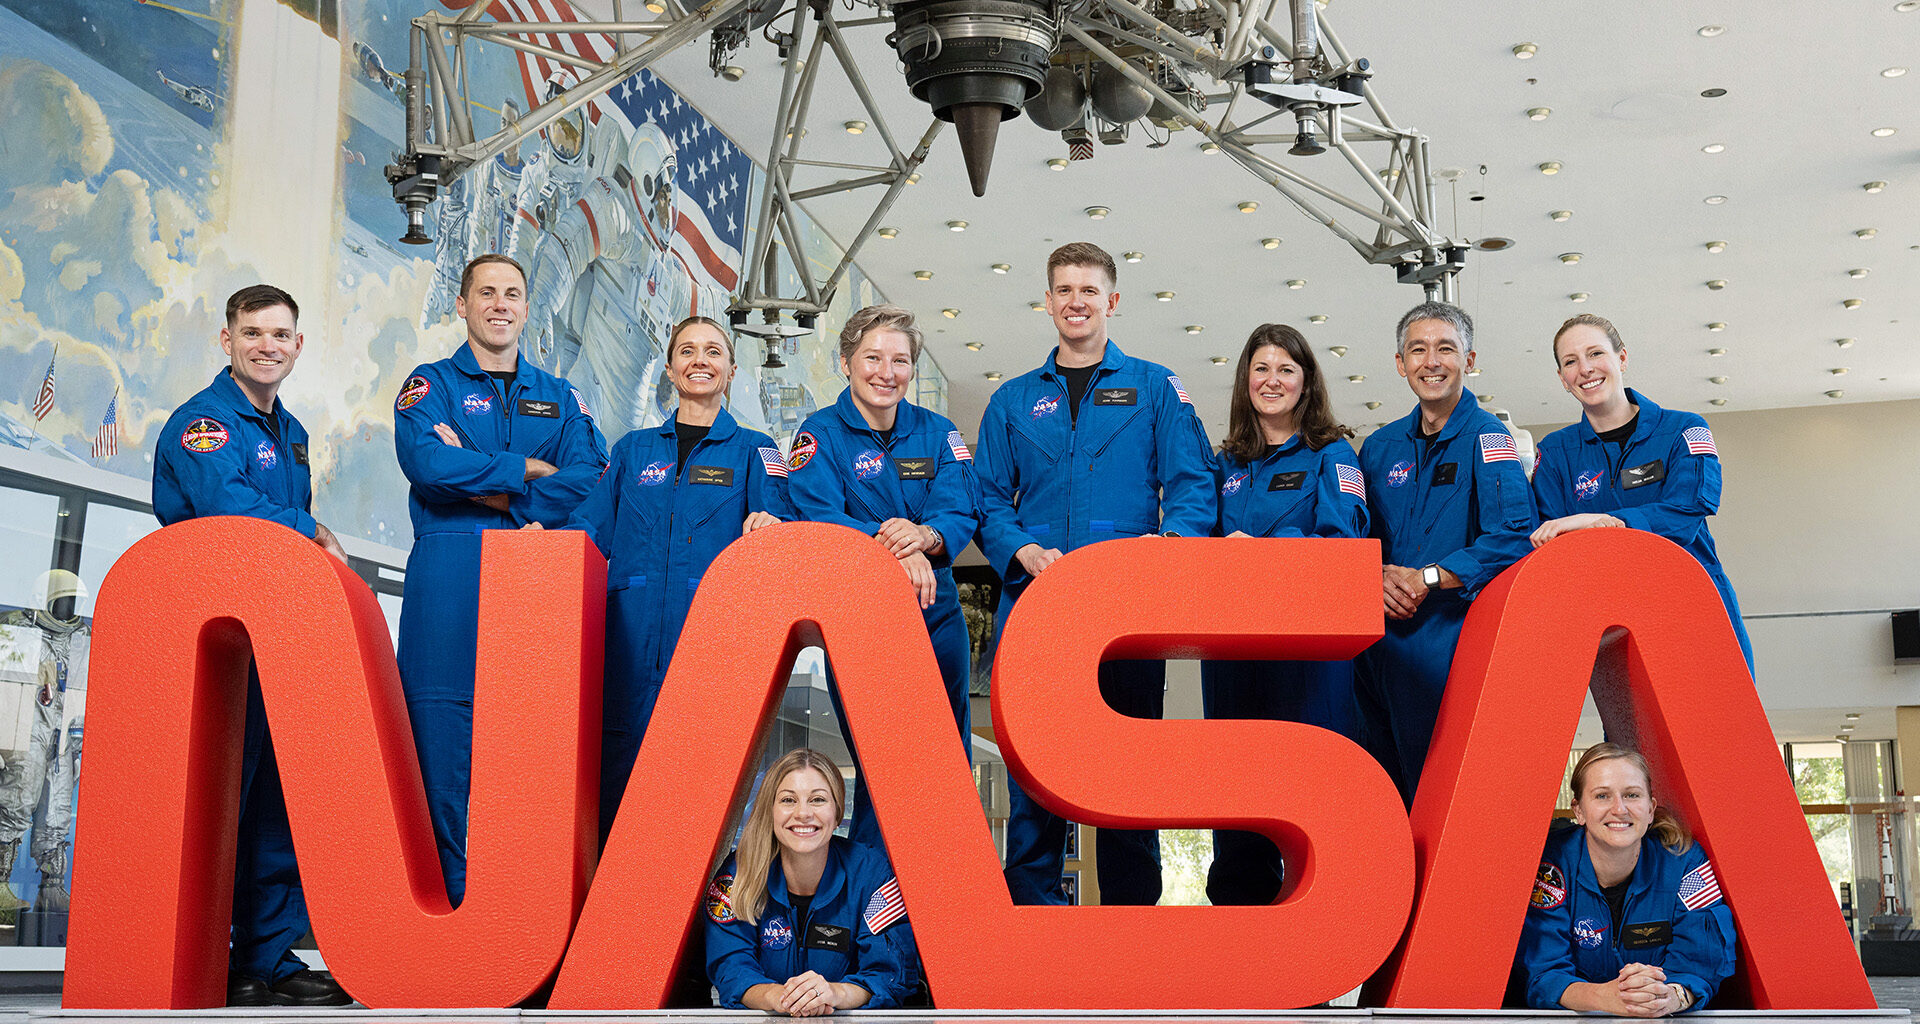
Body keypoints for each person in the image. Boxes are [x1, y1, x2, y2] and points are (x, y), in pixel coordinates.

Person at [974, 242, 1216, 906]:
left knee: (1129, 785)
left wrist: (1164, 552)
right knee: (1033, 792)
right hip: (1038, 617)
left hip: (1127, 624)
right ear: (1047, 302)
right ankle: (1033, 958)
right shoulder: (1012, 402)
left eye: (1088, 291)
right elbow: (988, 500)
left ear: (1112, 301)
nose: (1075, 302)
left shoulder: (1155, 387)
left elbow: (1194, 487)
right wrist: (1021, 552)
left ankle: (1132, 961)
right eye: (1063, 290)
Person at [152, 284, 351, 1005]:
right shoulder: (205, 423)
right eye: (253, 333)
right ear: (227, 341)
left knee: (275, 801)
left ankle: (262, 959)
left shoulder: (287, 429)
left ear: (298, 346)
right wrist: (312, 531)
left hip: (271, 633)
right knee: (214, 799)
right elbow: (226, 510)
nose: (267, 345)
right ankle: (193, 952)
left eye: (280, 334)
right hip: (211, 643)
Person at [392, 254, 608, 903]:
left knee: (526, 742)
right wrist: (530, 472)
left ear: (525, 305)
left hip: (536, 575)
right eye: (486, 292)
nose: (500, 304)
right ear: (463, 305)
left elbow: (593, 478)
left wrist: (487, 479)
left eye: (512, 293)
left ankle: (515, 913)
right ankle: (451, 905)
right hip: (450, 574)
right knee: (441, 735)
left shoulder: (562, 396)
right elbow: (427, 464)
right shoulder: (429, 386)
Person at [565, 315, 792, 843]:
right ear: (669, 367)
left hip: (709, 641)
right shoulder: (632, 451)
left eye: (713, 351)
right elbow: (588, 529)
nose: (700, 361)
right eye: (687, 351)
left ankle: (689, 917)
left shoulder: (758, 451)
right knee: (616, 774)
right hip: (626, 641)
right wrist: (543, 543)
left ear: (731, 370)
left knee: (699, 781)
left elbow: (778, 528)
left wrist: (771, 525)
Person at [786, 305, 979, 850]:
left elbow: (961, 509)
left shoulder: (940, 434)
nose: (885, 372)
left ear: (912, 369)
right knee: (881, 765)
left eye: (899, 360)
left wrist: (926, 538)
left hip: (937, 617)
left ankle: (948, 894)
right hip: (861, 622)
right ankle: (879, 909)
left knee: (947, 762)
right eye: (872, 357)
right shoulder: (818, 434)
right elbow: (817, 513)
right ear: (846, 362)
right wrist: (893, 546)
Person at [1203, 324, 1368, 906]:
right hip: (1232, 658)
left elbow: (1345, 535)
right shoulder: (1224, 463)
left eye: (1286, 370)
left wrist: (1269, 553)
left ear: (1307, 382)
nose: (1272, 381)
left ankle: (1310, 968)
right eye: (1261, 369)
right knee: (1236, 799)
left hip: (1306, 660)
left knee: (1307, 801)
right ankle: (1239, 958)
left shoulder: (1333, 454)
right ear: (1245, 380)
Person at [1355, 301, 1536, 806]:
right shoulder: (1378, 447)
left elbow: (1514, 537)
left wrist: (1428, 578)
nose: (1431, 361)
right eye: (1418, 349)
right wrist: (1375, 578)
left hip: (1450, 642)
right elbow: (1356, 535)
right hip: (1374, 644)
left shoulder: (1490, 439)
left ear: (1469, 359)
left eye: (1446, 349)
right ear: (1400, 363)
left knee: (1447, 791)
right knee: (1379, 792)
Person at [1531, 314, 1753, 673]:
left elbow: (1689, 509)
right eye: (1571, 361)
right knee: (1629, 728)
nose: (1585, 369)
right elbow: (1550, 537)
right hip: (1615, 625)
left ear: (1621, 358)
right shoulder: (1556, 452)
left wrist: (1605, 522)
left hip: (1692, 606)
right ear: (1562, 378)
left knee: (1720, 723)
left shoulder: (1685, 429)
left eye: (1595, 354)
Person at [1515, 743, 1736, 1014]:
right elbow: (1543, 974)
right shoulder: (1551, 865)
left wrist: (1670, 997)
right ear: (1579, 810)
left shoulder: (1685, 864)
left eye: (1632, 795)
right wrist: (1605, 997)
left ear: (1651, 809)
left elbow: (1702, 962)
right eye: (1602, 796)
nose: (1619, 809)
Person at [705, 748, 921, 1013]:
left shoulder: (871, 874)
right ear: (770, 810)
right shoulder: (739, 873)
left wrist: (835, 993)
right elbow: (730, 966)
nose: (803, 813)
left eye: (817, 800)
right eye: (787, 800)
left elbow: (888, 972)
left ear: (837, 811)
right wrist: (780, 997)